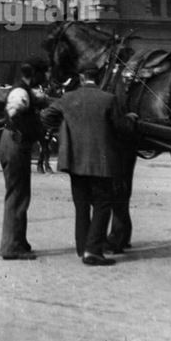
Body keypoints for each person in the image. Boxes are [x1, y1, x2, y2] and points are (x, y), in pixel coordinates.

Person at [43, 67, 138, 267]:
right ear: (99, 78)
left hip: (75, 162)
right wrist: (131, 119)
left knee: (82, 205)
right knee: (103, 205)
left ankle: (82, 247)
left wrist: (65, 129)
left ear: (81, 78)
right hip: (101, 163)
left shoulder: (68, 98)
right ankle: (93, 251)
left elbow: (46, 117)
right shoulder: (108, 99)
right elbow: (122, 128)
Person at [0, 56, 49, 261]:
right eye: (43, 73)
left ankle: (19, 240)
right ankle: (11, 246)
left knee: (20, 192)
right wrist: (32, 128)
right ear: (34, 74)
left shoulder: (25, 91)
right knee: (17, 195)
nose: (45, 77)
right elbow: (14, 112)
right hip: (15, 143)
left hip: (14, 142)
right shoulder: (20, 92)